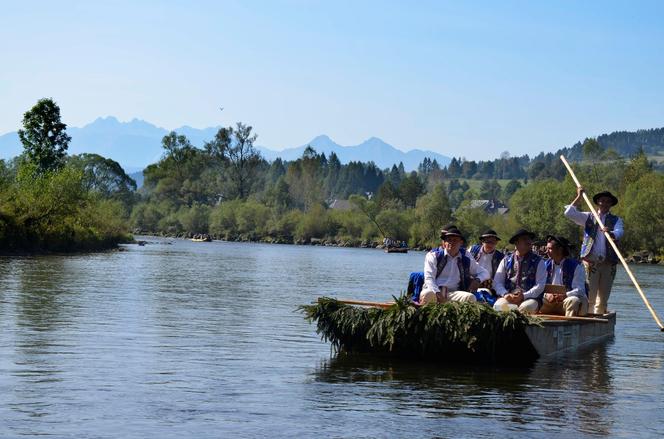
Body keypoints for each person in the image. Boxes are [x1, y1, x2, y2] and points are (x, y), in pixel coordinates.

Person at [564, 187, 624, 314]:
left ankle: (599, 319)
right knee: (589, 295)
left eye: (608, 201)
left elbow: (620, 232)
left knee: (602, 298)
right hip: (590, 262)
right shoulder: (588, 217)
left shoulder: (616, 220)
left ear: (611, 204)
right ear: (598, 203)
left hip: (608, 263)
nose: (605, 203)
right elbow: (569, 213)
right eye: (602, 201)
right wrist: (579, 197)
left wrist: (611, 233)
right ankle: (588, 319)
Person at [419, 227, 490, 304]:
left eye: (455, 240)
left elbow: (485, 273)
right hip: (434, 291)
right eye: (449, 240)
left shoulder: (466, 260)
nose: (451, 243)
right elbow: (429, 279)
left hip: (453, 293)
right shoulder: (433, 256)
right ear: (444, 243)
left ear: (461, 243)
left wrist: (477, 280)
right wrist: (439, 295)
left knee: (470, 297)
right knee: (427, 294)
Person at [493, 229, 547, 314]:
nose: (529, 241)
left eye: (529, 239)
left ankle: (521, 326)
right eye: (525, 239)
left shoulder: (539, 261)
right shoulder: (506, 260)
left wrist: (524, 296)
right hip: (509, 297)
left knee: (525, 308)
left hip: (530, 299)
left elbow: (540, 285)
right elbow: (497, 282)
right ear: (516, 242)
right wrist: (505, 294)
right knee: (498, 307)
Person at [540, 235, 589, 317]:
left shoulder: (576, 266)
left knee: (574, 300)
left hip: (565, 302)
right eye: (546, 249)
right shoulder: (545, 265)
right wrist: (546, 295)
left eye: (550, 249)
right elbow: (539, 285)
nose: (546, 252)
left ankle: (568, 325)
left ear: (560, 249)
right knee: (533, 301)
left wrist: (565, 295)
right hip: (549, 301)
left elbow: (580, 289)